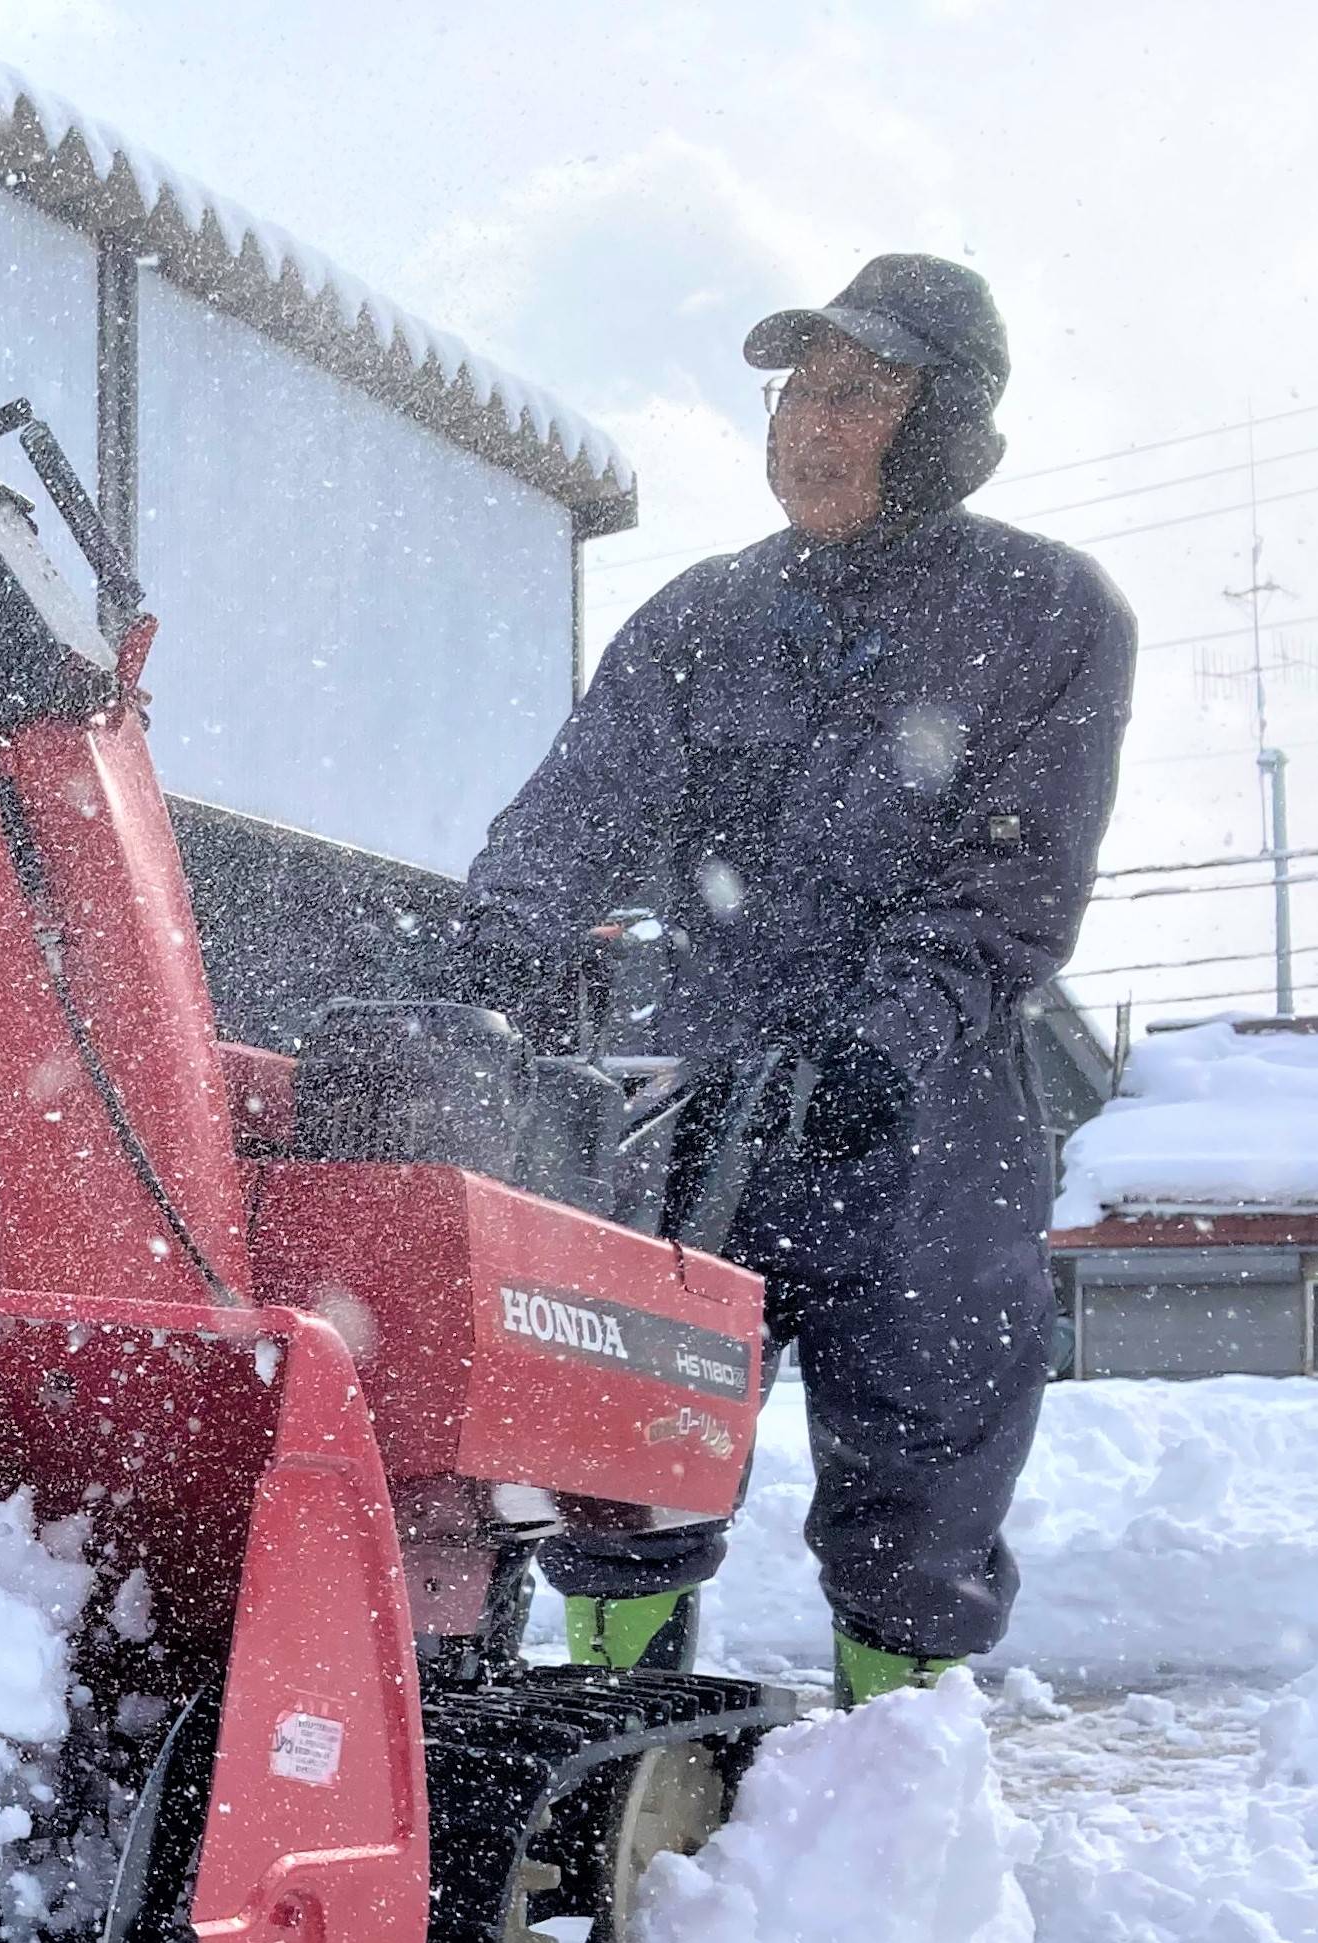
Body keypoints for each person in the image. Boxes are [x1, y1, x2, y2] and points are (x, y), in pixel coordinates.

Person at [442, 254, 1135, 1703]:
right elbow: (574, 811)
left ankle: (892, 1788)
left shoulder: (1046, 611)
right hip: (693, 1105)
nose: (803, 424)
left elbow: (1012, 878)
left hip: (924, 1116)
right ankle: (617, 1773)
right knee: (618, 1458)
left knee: (923, 1470)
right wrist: (502, 938)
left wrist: (876, 1038)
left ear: (945, 422)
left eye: (855, 393)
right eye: (793, 389)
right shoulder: (703, 614)